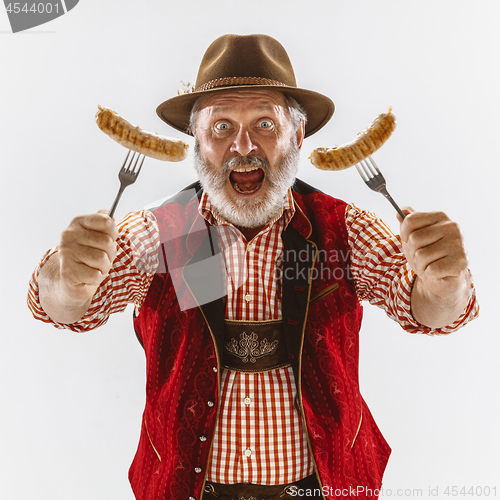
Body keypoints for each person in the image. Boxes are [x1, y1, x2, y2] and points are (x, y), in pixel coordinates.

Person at [28, 34, 478, 500]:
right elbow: (68, 308)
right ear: (196, 142)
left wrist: (445, 283)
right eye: (221, 127)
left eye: (264, 123)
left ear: (297, 136)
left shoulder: (339, 228)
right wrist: (67, 279)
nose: (244, 146)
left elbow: (428, 309)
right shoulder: (165, 232)